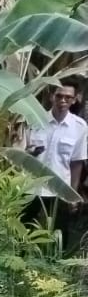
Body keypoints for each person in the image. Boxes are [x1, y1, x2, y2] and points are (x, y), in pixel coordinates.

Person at [23, 83, 87, 248]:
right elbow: (20, 152)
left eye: (68, 97)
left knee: (59, 233)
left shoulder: (79, 127)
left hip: (59, 190)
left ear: (74, 100)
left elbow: (77, 162)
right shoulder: (34, 119)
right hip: (30, 186)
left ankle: (55, 267)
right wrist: (28, 153)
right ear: (52, 96)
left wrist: (72, 194)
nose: (63, 100)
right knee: (22, 229)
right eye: (59, 96)